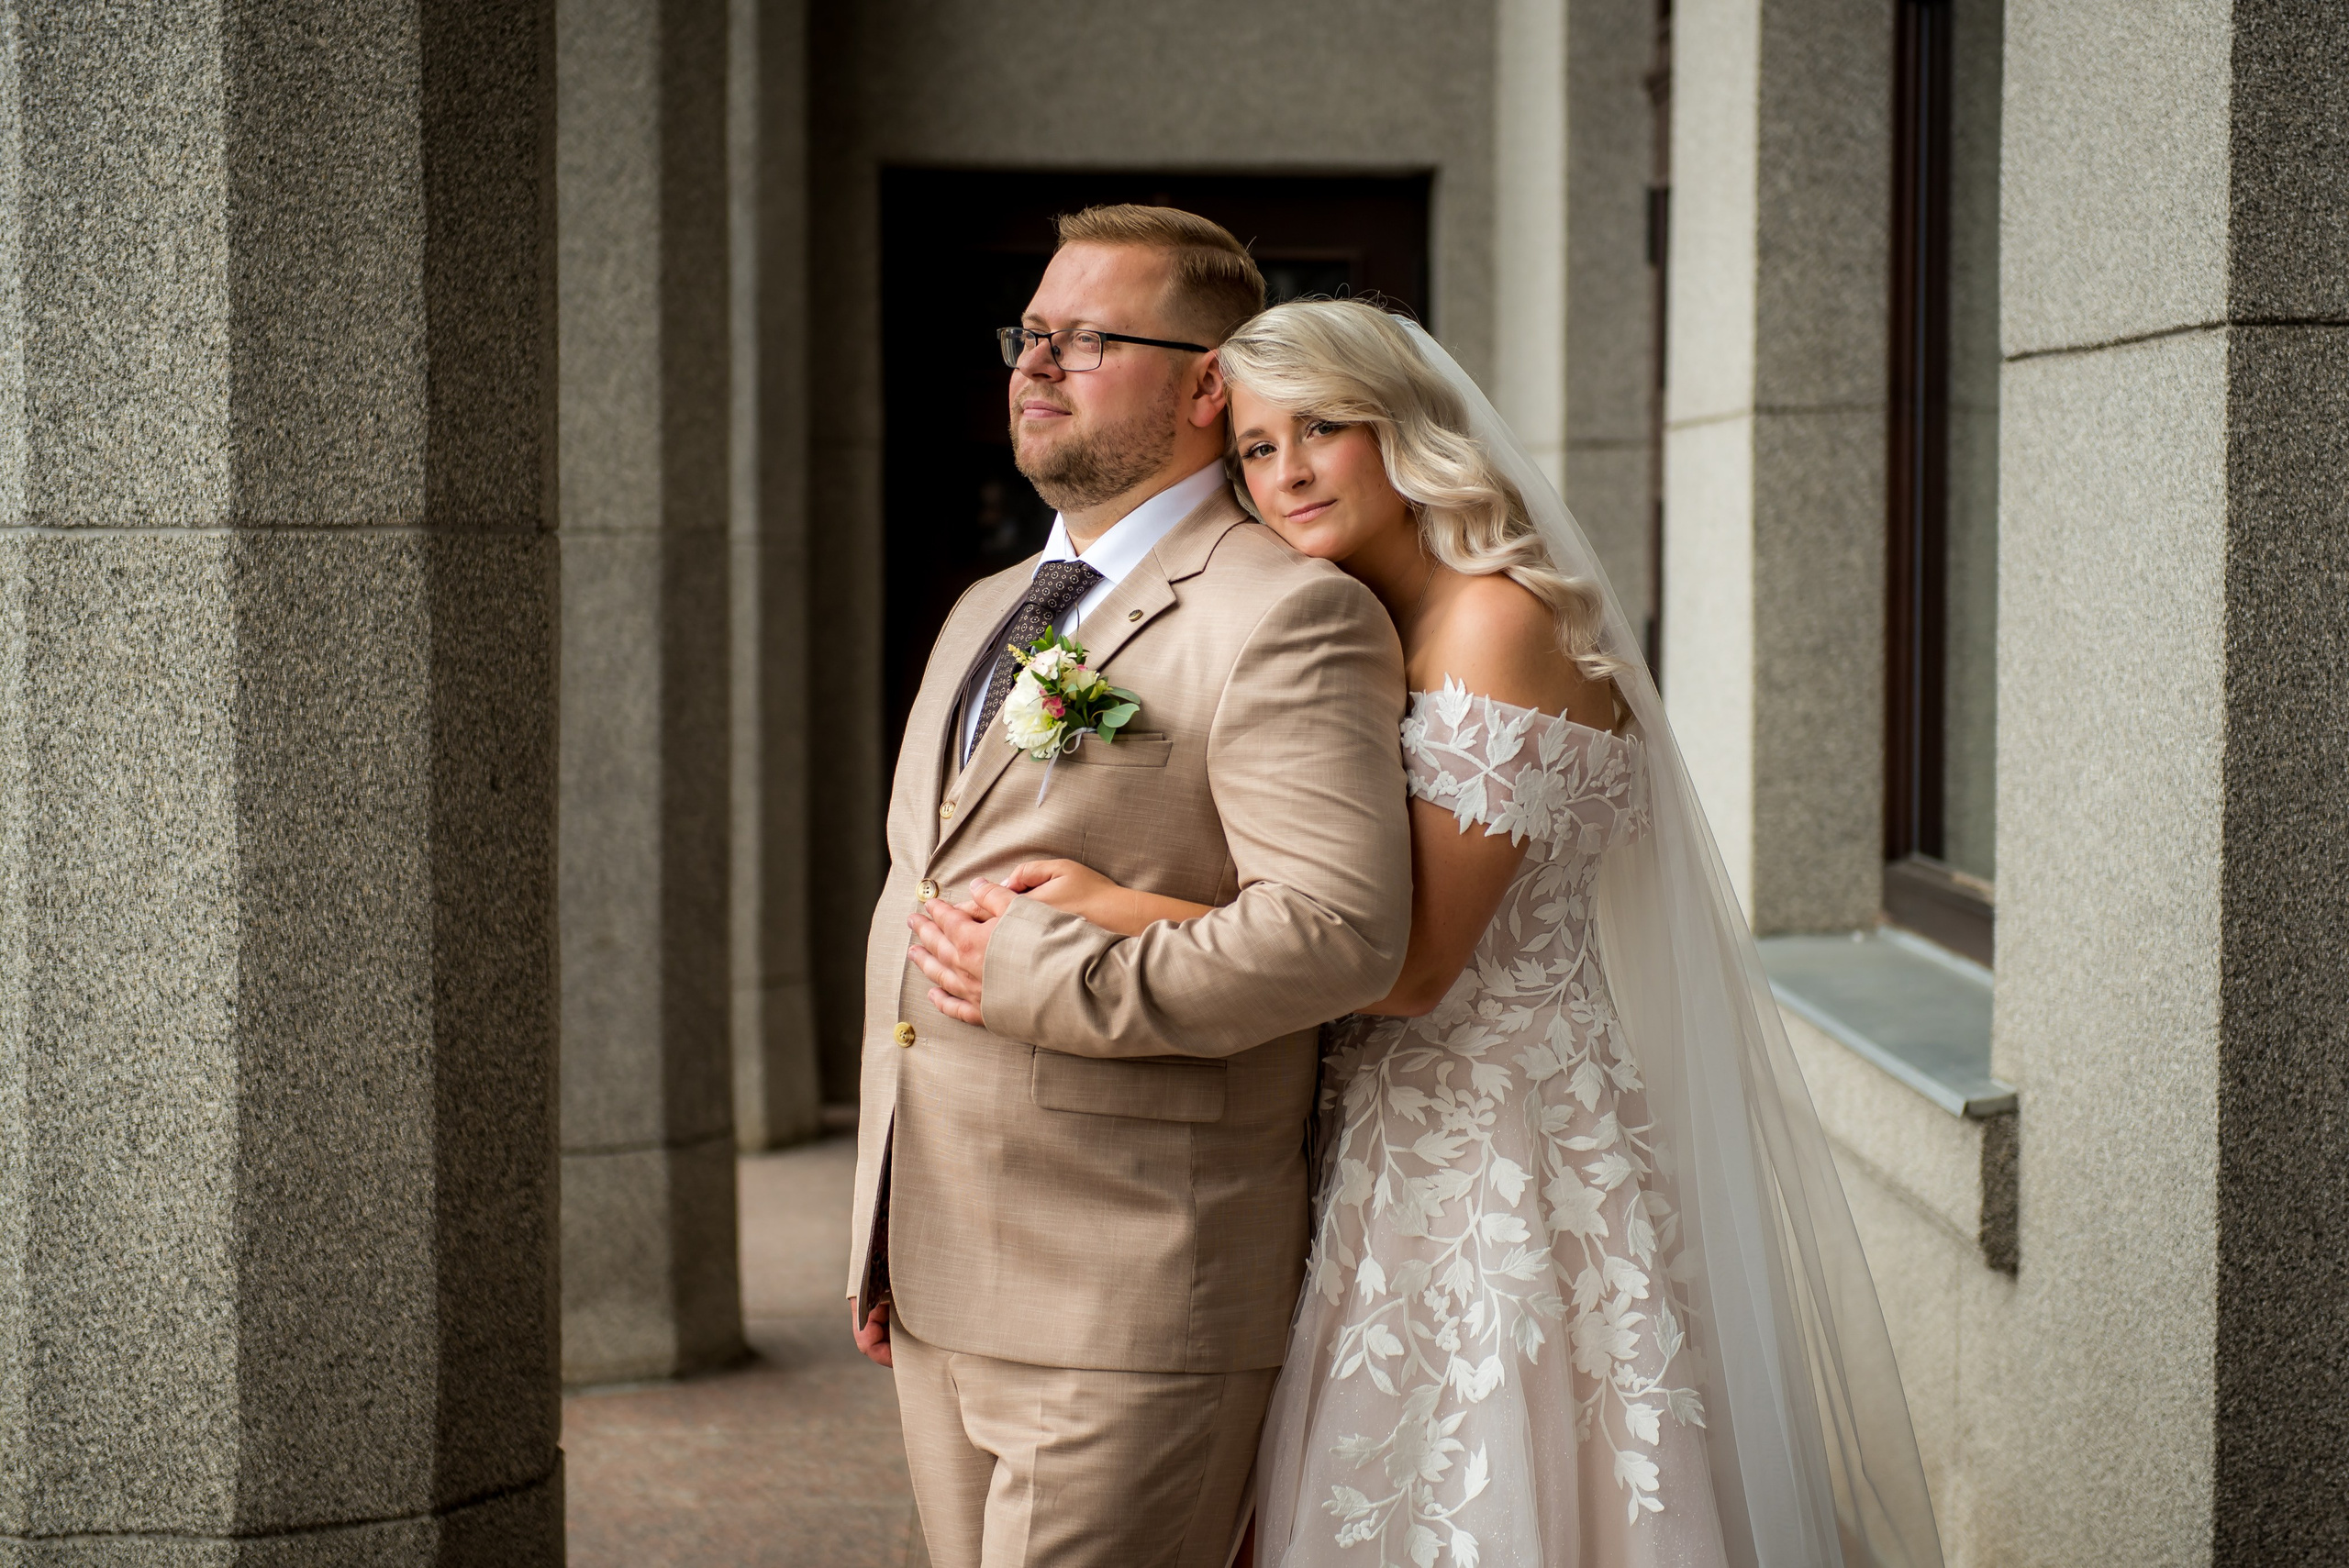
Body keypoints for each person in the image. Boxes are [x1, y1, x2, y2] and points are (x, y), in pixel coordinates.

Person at [971, 299, 1949, 1568]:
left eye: (1323, 428)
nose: (1288, 473)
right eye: (1257, 448)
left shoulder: (1497, 621)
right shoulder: (1367, 619)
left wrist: (1114, 906)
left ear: (1405, 430)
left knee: (1486, 1481)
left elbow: (1413, 964)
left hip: (1489, 1143)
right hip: (1381, 1125)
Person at [851, 207, 1415, 1568]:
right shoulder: (986, 605)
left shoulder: (1289, 613)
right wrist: (883, 1227)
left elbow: (1341, 933)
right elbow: (922, 884)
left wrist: (1037, 975)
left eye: (1089, 339)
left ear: (1207, 383)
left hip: (1131, 1296)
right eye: (1030, 332)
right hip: (938, 1273)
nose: (1037, 364)